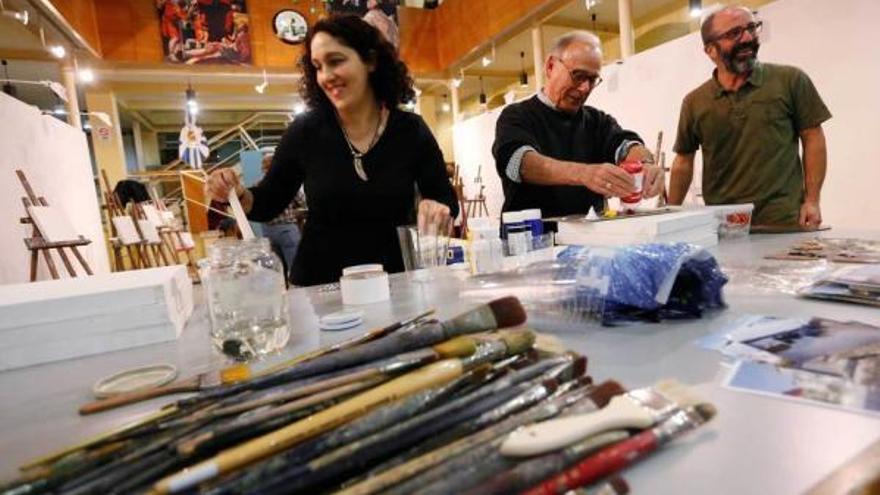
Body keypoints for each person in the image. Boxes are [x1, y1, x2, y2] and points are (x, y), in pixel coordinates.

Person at [208, 15, 457, 286]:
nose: (326, 76)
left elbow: (445, 198)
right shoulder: (306, 131)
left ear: (371, 61)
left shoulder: (410, 130)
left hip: (394, 285)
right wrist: (237, 192)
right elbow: (269, 201)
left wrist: (437, 207)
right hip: (321, 290)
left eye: (336, 61)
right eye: (318, 66)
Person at [668, 6, 831, 228]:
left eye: (751, 28)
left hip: (783, 222)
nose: (747, 37)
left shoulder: (790, 80)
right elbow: (683, 162)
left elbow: (813, 138)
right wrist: (670, 213)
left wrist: (812, 201)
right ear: (710, 50)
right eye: (733, 33)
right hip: (724, 226)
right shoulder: (695, 102)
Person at [492, 31, 663, 218]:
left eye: (592, 80)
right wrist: (584, 174)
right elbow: (519, 163)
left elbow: (626, 145)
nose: (585, 88)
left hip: (589, 238)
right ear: (550, 67)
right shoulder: (517, 116)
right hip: (532, 239)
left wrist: (645, 165)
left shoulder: (597, 121)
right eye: (578, 75)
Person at [258, 151, 303, 279]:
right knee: (295, 269)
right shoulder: (288, 183)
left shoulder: (258, 186)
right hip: (286, 230)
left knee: (277, 272)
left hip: (267, 232)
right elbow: (302, 201)